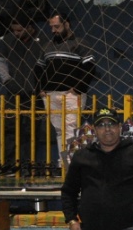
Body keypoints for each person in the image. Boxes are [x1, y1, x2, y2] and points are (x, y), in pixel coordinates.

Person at [37, 12, 97, 155]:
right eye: (51, 27)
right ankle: (62, 164)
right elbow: (38, 69)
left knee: (71, 129)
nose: (53, 30)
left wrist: (77, 89)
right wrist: (41, 89)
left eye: (56, 26)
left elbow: (90, 68)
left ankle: (70, 164)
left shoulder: (80, 43)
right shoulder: (47, 46)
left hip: (71, 94)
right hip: (51, 94)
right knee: (58, 130)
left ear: (67, 24)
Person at [0, 16, 49, 174]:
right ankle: (10, 165)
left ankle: (28, 165)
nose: (16, 33)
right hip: (13, 92)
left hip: (35, 94)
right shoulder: (8, 40)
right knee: (10, 129)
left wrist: (42, 86)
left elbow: (48, 65)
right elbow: (1, 61)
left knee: (31, 131)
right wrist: (7, 81)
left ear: (30, 28)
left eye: (19, 30)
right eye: (14, 30)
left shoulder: (43, 41)